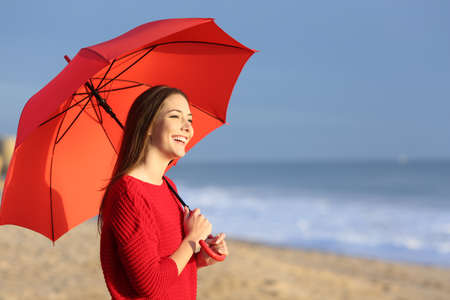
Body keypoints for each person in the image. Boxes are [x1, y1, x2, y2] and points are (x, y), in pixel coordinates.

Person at [98, 85, 228, 300]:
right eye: (175, 116)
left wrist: (202, 256)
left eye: (189, 119)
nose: (187, 127)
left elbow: (168, 267)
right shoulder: (128, 193)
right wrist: (192, 239)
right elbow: (151, 285)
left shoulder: (168, 186)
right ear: (148, 125)